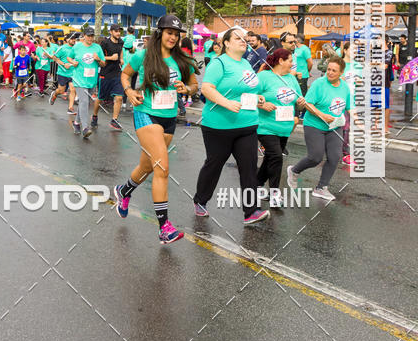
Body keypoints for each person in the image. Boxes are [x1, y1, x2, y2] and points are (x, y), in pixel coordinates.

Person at [115, 14, 198, 244]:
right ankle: (164, 227)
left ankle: (124, 191)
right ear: (160, 32)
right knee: (162, 167)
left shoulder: (183, 60)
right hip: (146, 113)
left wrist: (187, 89)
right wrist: (130, 92)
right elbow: (125, 75)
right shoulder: (144, 54)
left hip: (169, 118)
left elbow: (194, 85)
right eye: (169, 32)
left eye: (177, 34)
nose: (173, 37)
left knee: (147, 166)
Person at [192, 26, 269, 223]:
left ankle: (251, 212)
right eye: (238, 38)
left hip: (247, 126)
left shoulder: (245, 63)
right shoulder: (219, 63)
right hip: (219, 127)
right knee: (214, 164)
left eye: (245, 38)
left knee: (249, 167)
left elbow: (245, 90)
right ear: (226, 43)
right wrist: (226, 102)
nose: (243, 41)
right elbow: (207, 89)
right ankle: (200, 200)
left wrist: (257, 98)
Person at [287, 55, 351, 201]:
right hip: (314, 124)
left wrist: (360, 122)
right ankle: (294, 171)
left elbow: (349, 106)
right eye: (328, 69)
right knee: (315, 157)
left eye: (334, 70)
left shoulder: (344, 87)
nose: (330, 72)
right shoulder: (318, 84)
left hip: (334, 126)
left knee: (334, 157)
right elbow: (307, 104)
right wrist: (322, 115)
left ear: (341, 73)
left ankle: (321, 188)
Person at [256, 47, 301, 208]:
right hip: (265, 126)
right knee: (276, 156)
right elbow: (247, 95)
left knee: (270, 157)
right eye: (290, 61)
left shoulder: (291, 78)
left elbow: (298, 98)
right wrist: (262, 104)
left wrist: (299, 107)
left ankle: (257, 184)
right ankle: (275, 193)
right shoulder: (264, 76)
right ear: (281, 61)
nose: (292, 64)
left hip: (285, 126)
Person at [69, 29, 105, 138]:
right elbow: (69, 57)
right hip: (79, 79)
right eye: (88, 36)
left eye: (92, 36)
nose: (90, 38)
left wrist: (98, 59)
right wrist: (73, 62)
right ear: (84, 36)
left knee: (84, 103)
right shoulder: (77, 46)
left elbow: (103, 64)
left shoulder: (97, 48)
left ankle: (76, 123)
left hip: (91, 80)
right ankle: (85, 128)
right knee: (84, 101)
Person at [92, 24, 125, 130]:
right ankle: (94, 116)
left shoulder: (121, 42)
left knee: (119, 97)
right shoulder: (105, 43)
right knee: (100, 98)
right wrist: (111, 58)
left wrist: (121, 58)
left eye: (119, 31)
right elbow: (98, 57)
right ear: (110, 32)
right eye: (116, 31)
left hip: (117, 73)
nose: (118, 33)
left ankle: (114, 120)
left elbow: (121, 51)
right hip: (105, 73)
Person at [340, 41, 363, 166]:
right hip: (338, 99)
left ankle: (345, 153)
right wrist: (339, 79)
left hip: (351, 99)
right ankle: (332, 149)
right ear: (345, 50)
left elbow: (360, 83)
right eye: (352, 50)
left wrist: (358, 81)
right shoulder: (340, 64)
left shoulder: (358, 65)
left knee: (347, 127)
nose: (354, 52)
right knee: (336, 125)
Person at [49, 33, 77, 113]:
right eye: (72, 39)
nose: (74, 40)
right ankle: (54, 94)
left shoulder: (76, 48)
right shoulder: (62, 48)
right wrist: (64, 64)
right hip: (63, 73)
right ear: (67, 39)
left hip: (73, 73)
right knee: (61, 90)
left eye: (74, 39)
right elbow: (54, 57)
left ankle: (70, 108)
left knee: (73, 89)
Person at [293, 34, 313, 114]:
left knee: (302, 94)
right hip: (295, 74)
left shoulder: (305, 49)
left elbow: (310, 63)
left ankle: (304, 112)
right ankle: (297, 111)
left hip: (303, 75)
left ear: (297, 40)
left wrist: (307, 71)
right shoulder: (295, 49)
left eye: (294, 39)